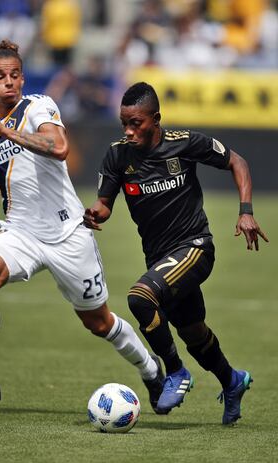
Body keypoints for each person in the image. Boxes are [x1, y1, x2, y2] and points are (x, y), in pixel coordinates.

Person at [0, 43, 164, 406]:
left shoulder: (39, 106)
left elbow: (58, 149)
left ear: (22, 78)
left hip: (67, 233)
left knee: (99, 323)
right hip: (19, 232)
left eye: (14, 75)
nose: (9, 82)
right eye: (0, 77)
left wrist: (7, 133)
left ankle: (151, 369)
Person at [83, 81, 269, 425]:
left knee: (140, 298)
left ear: (156, 119)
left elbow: (237, 161)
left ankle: (175, 372)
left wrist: (245, 211)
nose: (128, 130)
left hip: (195, 247)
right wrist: (95, 213)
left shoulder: (184, 144)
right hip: (161, 259)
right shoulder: (117, 155)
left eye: (136, 123)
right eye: (124, 122)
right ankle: (232, 381)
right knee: (193, 332)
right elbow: (105, 203)